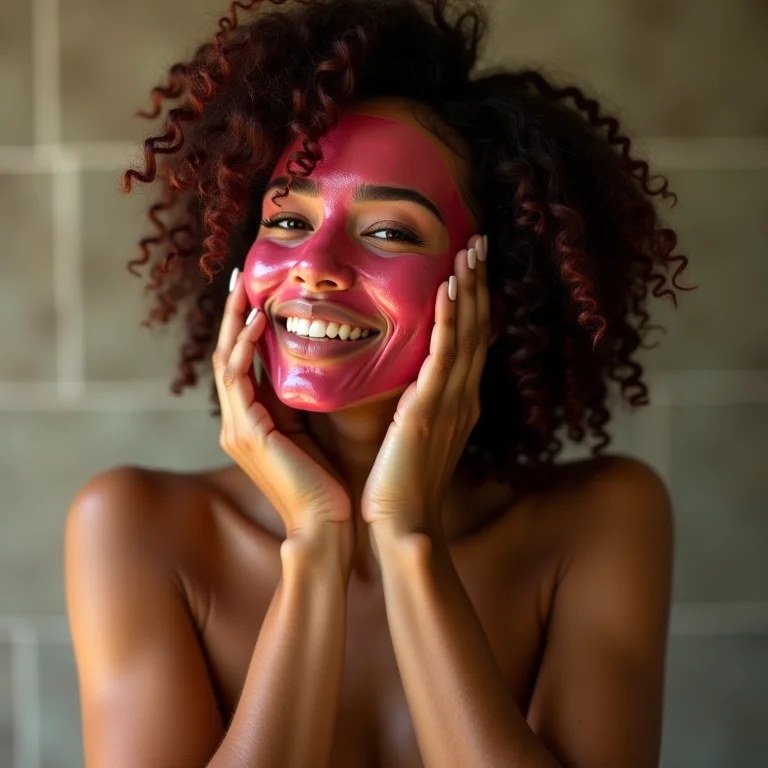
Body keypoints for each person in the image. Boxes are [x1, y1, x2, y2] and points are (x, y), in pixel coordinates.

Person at [65, 0, 691, 766]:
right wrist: (316, 546)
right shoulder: (134, 526)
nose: (315, 266)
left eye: (389, 231)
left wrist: (407, 537)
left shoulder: (601, 520)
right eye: (287, 222)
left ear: (496, 298)